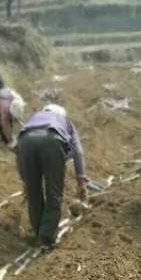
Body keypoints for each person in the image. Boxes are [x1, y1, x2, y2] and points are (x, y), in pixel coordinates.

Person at [16, 104, 88, 249]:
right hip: (51, 139)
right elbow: (78, 151)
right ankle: (46, 238)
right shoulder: (64, 121)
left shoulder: (34, 118)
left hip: (25, 141)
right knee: (53, 192)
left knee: (34, 193)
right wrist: (81, 179)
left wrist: (26, 181)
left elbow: (18, 156)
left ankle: (39, 233)